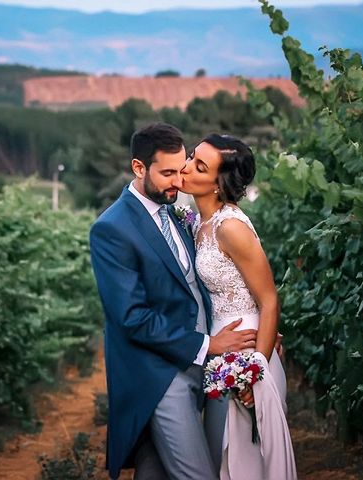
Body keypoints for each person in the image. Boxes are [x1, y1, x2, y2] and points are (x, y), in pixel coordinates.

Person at [89, 123, 257, 480]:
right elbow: (132, 317)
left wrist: (257, 324)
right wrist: (208, 344)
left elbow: (204, 285)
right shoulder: (112, 229)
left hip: (198, 369)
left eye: (181, 169)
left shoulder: (178, 216)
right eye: (166, 173)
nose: (177, 181)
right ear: (138, 168)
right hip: (159, 376)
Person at [180, 133, 297, 479]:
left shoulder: (230, 227)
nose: (185, 167)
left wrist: (255, 372)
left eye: (199, 166)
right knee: (223, 459)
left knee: (247, 463)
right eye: (190, 157)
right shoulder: (196, 221)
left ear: (218, 184)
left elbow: (269, 298)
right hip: (219, 349)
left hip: (246, 354)